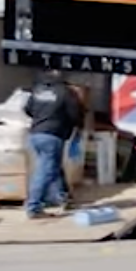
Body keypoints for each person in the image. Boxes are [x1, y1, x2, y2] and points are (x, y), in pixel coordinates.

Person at [22, 71, 81, 219]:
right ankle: (33, 206)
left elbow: (27, 109)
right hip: (53, 134)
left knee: (53, 166)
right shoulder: (65, 92)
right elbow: (74, 114)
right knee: (45, 170)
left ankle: (61, 197)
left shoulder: (39, 92)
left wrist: (41, 117)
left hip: (35, 134)